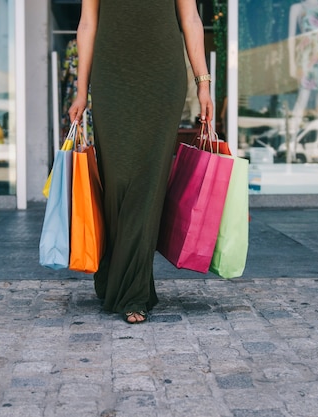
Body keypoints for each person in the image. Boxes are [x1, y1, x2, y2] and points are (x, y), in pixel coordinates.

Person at [68, 0, 214, 324]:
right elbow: (87, 24)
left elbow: (190, 18)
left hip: (161, 77)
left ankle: (133, 292)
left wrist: (203, 84)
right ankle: (115, 276)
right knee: (117, 178)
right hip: (111, 78)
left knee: (147, 181)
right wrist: (81, 91)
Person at [287, 0, 318, 135]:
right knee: (303, 97)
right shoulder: (297, 8)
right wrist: (292, 64)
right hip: (307, 56)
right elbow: (291, 38)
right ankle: (292, 136)